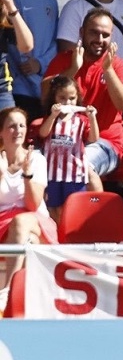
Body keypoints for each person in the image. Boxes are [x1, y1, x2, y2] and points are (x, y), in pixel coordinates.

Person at [42, 8, 123, 177]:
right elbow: (45, 96)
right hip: (62, 139)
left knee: (81, 165)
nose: (99, 39)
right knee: (36, 165)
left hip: (104, 143)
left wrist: (108, 70)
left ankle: (94, 203)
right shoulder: (64, 60)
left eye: (105, 35)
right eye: (94, 32)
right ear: (82, 32)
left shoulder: (118, 66)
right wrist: (74, 68)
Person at [0, 107, 57, 291]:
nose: (18, 131)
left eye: (22, 126)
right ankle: (24, 298)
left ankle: (7, 291)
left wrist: (27, 175)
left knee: (20, 222)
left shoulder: (37, 159)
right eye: (12, 126)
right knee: (29, 240)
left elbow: (33, 204)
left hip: (34, 220)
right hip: (3, 225)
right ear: (1, 132)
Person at [4, 0, 59, 117]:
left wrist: (41, 64)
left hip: (45, 86)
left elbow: (54, 41)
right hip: (20, 87)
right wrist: (30, 68)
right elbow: (11, 40)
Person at [39, 75, 100, 219]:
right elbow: (42, 134)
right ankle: (57, 237)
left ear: (77, 98)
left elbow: (93, 138)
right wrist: (53, 116)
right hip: (52, 175)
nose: (68, 102)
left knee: (73, 209)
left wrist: (92, 118)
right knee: (52, 209)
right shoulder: (50, 119)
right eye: (62, 98)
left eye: (72, 98)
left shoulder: (82, 120)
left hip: (74, 175)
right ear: (54, 98)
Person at [0, 0, 34, 112]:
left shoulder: (3, 15)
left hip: (2, 90)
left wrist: (11, 7)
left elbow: (26, 46)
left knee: (12, 128)